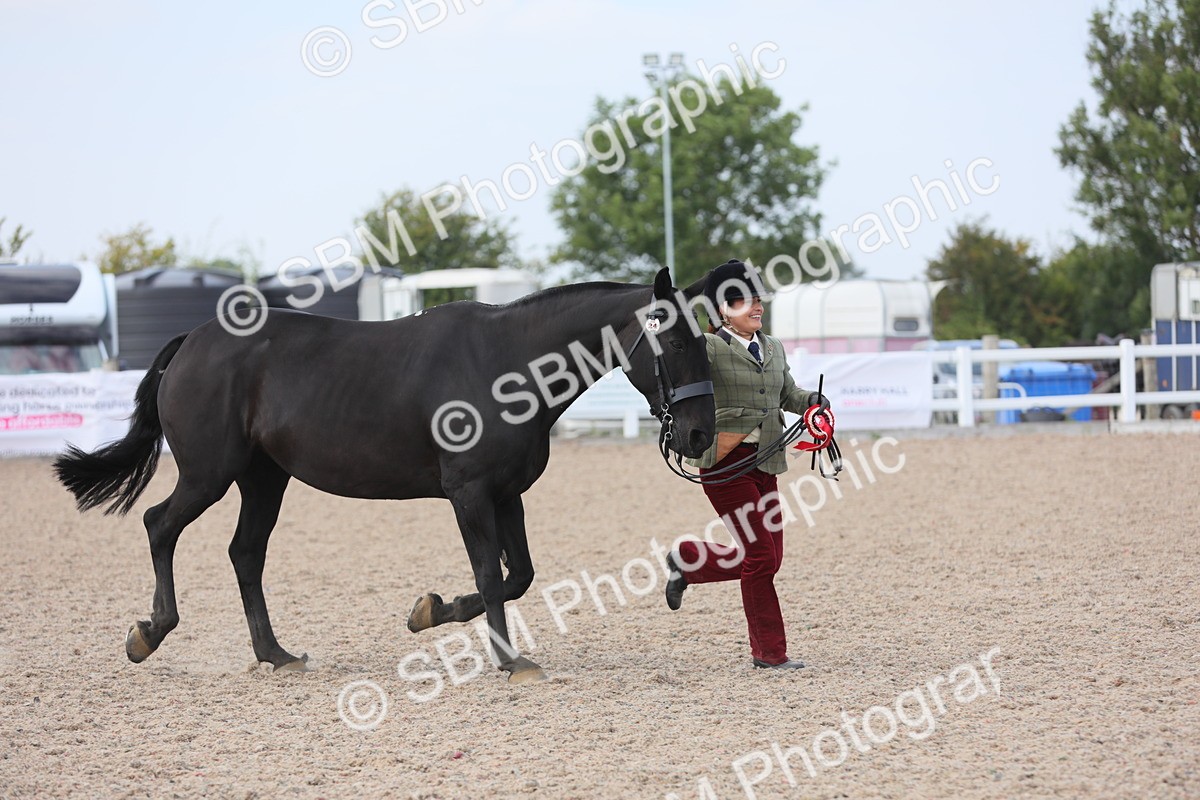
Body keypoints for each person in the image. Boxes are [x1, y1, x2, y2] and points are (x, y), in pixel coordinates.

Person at [665, 259, 829, 670]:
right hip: (724, 464)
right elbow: (665, 340)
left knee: (770, 558)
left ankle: (689, 559)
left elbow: (787, 394)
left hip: (766, 461)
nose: (756, 307)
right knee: (759, 559)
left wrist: (812, 402)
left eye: (758, 300)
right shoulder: (709, 348)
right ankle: (770, 653)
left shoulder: (772, 347)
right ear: (723, 309)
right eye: (744, 301)